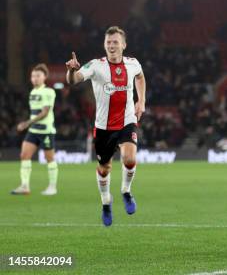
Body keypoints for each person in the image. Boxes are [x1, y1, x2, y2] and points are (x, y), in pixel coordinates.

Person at [65, 26, 146, 226]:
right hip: (103, 126)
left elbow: (140, 77)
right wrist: (71, 70)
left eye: (115, 42)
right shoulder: (95, 65)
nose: (111, 45)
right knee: (104, 168)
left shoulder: (133, 63)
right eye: (108, 42)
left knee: (129, 158)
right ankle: (106, 202)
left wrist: (141, 100)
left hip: (127, 120)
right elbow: (73, 81)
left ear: (123, 45)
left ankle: (126, 191)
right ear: (104, 44)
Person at [11, 64, 58, 196]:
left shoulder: (49, 91)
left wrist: (27, 123)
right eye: (33, 76)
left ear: (45, 77)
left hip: (46, 131)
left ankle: (52, 187)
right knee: (24, 156)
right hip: (33, 131)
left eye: (38, 75)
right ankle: (25, 186)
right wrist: (29, 124)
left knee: (50, 159)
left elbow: (45, 112)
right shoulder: (33, 92)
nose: (35, 78)